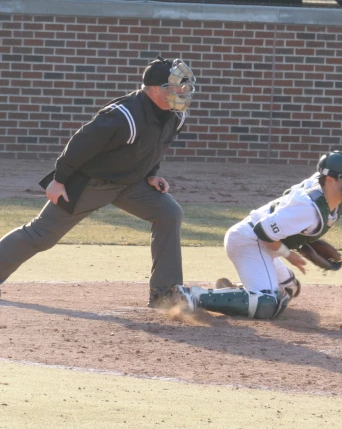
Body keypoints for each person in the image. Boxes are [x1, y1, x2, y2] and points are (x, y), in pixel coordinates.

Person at [0, 56, 196, 308]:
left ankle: (164, 294)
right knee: (41, 235)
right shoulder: (123, 115)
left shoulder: (175, 115)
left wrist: (152, 173)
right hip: (91, 183)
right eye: (176, 86)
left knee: (169, 213)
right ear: (156, 89)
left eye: (183, 86)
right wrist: (58, 181)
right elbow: (80, 144)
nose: (182, 91)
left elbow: (155, 147)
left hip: (130, 183)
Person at [174, 150, 342, 319]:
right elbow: (263, 232)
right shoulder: (308, 208)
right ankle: (193, 296)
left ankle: (232, 294)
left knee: (290, 289)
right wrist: (290, 255)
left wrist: (302, 242)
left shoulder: (330, 197)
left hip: (263, 243)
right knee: (267, 304)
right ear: (330, 180)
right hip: (248, 240)